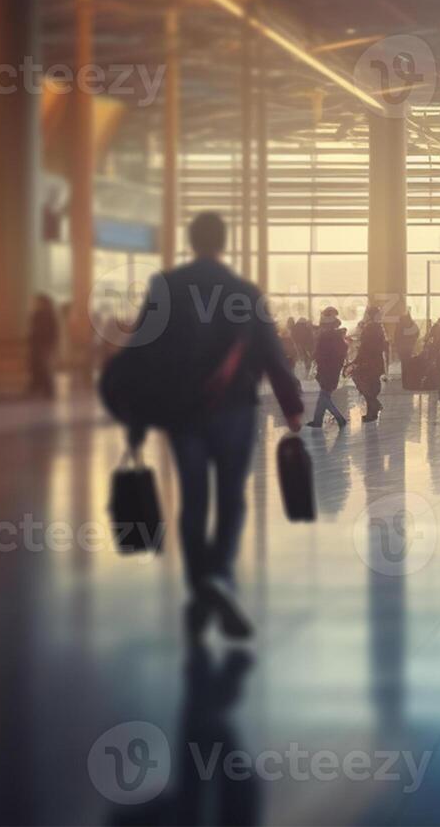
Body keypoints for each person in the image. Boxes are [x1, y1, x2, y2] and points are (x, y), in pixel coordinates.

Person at [133, 212, 303, 640]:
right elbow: (270, 350)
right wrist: (291, 404)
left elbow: (142, 352)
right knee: (231, 498)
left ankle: (200, 586)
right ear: (224, 242)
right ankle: (219, 575)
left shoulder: (166, 288)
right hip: (234, 409)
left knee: (194, 500)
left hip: (182, 411)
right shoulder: (243, 292)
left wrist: (137, 413)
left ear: (191, 241)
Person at [307, 307, 349, 429]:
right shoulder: (334, 335)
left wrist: (316, 357)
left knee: (324, 396)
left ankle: (340, 419)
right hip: (331, 369)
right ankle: (317, 420)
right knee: (324, 395)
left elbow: (323, 353)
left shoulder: (328, 336)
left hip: (327, 370)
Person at [351, 304, 388, 422]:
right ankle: (373, 411)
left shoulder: (370, 328)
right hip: (376, 361)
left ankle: (374, 409)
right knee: (372, 386)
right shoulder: (379, 327)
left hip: (368, 361)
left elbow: (365, 346)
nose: (380, 316)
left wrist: (357, 359)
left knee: (366, 386)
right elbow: (382, 345)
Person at [28, 294, 58, 398]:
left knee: (45, 367)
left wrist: (51, 344)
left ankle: (48, 389)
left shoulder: (49, 315)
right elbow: (33, 329)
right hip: (36, 344)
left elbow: (53, 331)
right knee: (36, 366)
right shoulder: (37, 314)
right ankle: (37, 387)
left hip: (45, 344)